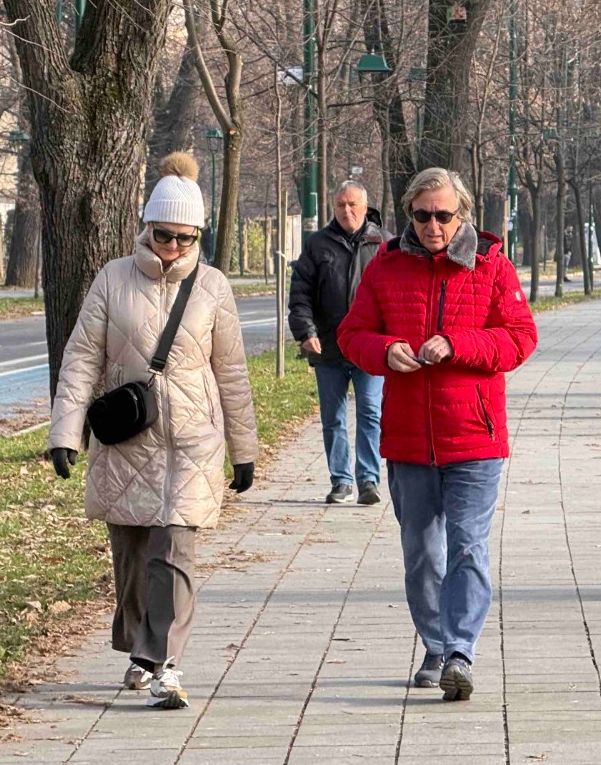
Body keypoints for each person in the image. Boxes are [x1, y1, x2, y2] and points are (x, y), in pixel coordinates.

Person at [48, 152, 257, 710]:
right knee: (134, 556)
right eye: (164, 235)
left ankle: (163, 661)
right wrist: (64, 433)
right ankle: (140, 650)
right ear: (146, 228)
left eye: (186, 238)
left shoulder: (212, 288)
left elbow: (231, 371)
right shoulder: (112, 279)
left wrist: (244, 449)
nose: (174, 247)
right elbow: (81, 359)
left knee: (175, 549)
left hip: (192, 439)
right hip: (127, 438)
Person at [339, 167, 537, 701]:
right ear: (409, 214)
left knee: (468, 546)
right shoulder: (386, 266)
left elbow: (520, 339)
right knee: (422, 553)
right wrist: (384, 351)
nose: (433, 225)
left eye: (443, 215)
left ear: (462, 215)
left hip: (474, 436)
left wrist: (458, 344)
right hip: (408, 439)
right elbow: (351, 334)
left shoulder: (492, 267)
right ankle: (434, 642)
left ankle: (459, 652)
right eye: (422, 215)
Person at [288, 180, 390, 505]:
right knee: (332, 416)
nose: (347, 211)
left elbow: (396, 295)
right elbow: (300, 292)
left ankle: (368, 479)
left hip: (369, 346)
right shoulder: (318, 244)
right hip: (328, 345)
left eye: (352, 205)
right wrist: (306, 331)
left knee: (371, 412)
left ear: (365, 206)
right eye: (341, 205)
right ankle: (341, 480)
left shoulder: (383, 244)